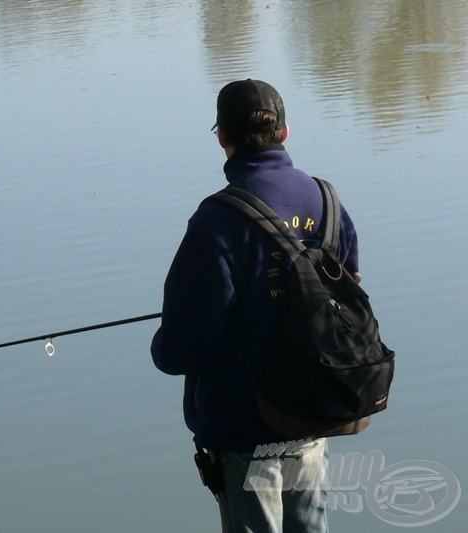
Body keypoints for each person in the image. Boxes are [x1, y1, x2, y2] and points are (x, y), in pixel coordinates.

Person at [150, 79, 360, 532]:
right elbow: (350, 298)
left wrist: (161, 346)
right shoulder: (327, 202)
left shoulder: (217, 221)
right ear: (285, 133)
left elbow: (185, 347)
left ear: (223, 138)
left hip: (242, 428)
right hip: (313, 415)